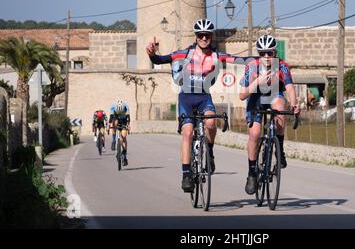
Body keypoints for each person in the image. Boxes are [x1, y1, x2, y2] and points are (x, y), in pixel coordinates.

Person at [146, 18, 249, 193]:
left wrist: (260, 60)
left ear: (211, 36)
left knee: (210, 123)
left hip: (204, 97)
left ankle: (209, 151)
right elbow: (161, 59)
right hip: (186, 98)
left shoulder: (216, 55)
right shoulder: (184, 54)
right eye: (200, 35)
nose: (203, 38)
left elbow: (238, 59)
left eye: (206, 35)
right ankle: (186, 175)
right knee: (187, 132)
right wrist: (151, 54)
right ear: (196, 37)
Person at [239, 34, 300, 195]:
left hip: (274, 95)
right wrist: (256, 82)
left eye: (270, 53)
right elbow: (242, 95)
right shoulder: (252, 67)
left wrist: (294, 104)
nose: (266, 57)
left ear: (275, 53)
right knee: (255, 133)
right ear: (259, 54)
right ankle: (252, 173)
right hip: (255, 98)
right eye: (263, 53)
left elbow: (290, 87)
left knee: (280, 106)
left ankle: (279, 148)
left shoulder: (282, 66)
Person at [108, 100, 130, 166]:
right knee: (114, 124)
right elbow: (111, 118)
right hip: (116, 118)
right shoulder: (113, 107)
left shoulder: (126, 107)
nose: (120, 113)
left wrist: (128, 126)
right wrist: (109, 126)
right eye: (119, 112)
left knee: (124, 136)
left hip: (123, 121)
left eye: (121, 112)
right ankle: (114, 140)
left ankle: (124, 153)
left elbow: (128, 119)